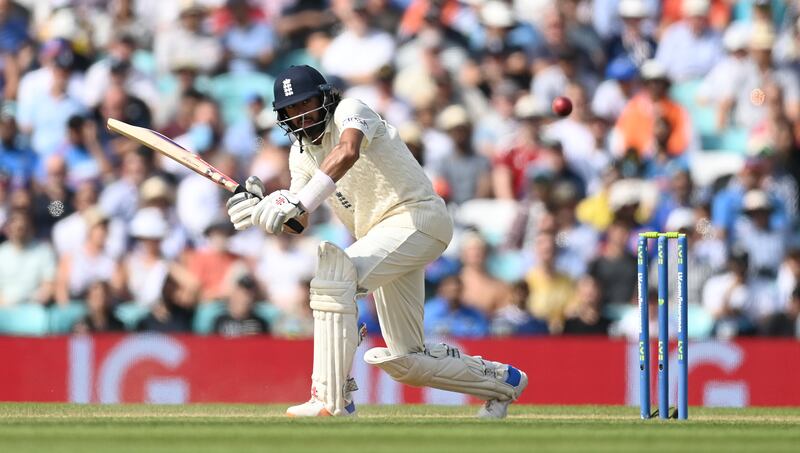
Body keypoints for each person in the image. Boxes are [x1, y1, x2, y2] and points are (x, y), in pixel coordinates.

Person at [226, 65, 527, 418]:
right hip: (384, 236)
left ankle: (331, 399)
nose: (301, 115)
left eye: (306, 103)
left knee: (335, 278)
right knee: (409, 360)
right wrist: (265, 211)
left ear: (325, 97)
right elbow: (299, 219)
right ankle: (503, 382)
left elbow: (348, 152)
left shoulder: (350, 110)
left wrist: (297, 201)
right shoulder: (301, 154)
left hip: (417, 218)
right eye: (291, 109)